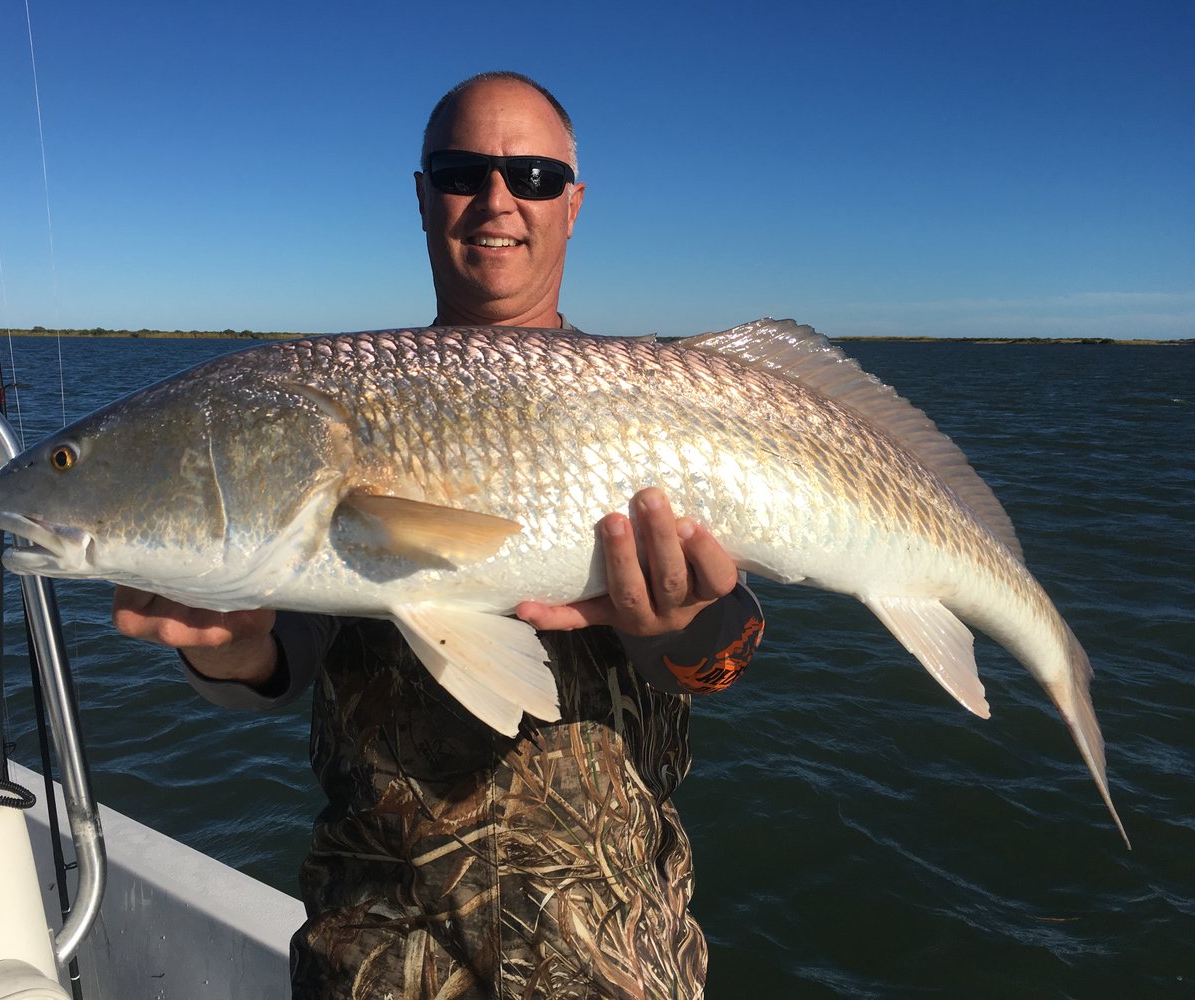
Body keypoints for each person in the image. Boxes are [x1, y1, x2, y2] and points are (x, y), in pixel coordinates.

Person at [113, 71, 765, 999]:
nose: (497, 199)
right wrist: (232, 652)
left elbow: (724, 657)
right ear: (422, 196)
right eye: (462, 171)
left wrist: (677, 629)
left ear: (572, 206)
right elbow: (287, 641)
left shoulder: (659, 404)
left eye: (534, 175)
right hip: (372, 955)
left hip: (617, 959)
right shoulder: (338, 409)